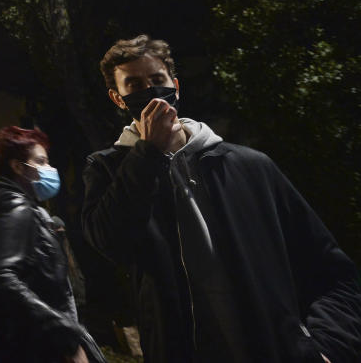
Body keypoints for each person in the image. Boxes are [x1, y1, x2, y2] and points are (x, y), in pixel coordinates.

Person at [82, 35, 361, 362]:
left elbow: (330, 270)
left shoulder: (249, 166)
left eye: (157, 80)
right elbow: (110, 243)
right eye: (135, 84)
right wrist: (147, 155)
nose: (150, 91)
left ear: (175, 85)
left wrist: (327, 347)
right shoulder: (107, 169)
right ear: (118, 98)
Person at [0, 126, 103, 363]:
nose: (49, 169)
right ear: (18, 166)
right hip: (40, 348)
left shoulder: (0, 204)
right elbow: (0, 277)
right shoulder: (14, 206)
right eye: (40, 161)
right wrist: (64, 336)